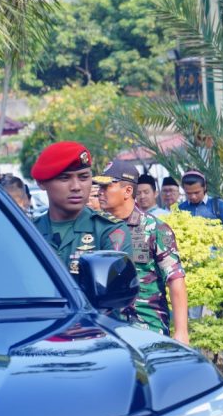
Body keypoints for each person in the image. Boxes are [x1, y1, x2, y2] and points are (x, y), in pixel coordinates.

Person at [95, 160, 189, 344]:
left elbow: (175, 279)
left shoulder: (154, 228)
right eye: (99, 186)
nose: (100, 191)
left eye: (106, 186)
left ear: (128, 191)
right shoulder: (97, 229)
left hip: (148, 327)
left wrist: (181, 331)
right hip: (107, 329)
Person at [31, 141, 127, 276]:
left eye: (84, 177)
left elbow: (117, 291)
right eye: (64, 178)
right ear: (41, 183)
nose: (76, 187)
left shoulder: (108, 230)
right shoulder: (29, 231)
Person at [179, 170, 223, 242]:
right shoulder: (181, 208)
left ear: (204, 188)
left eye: (197, 192)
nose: (193, 197)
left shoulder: (218, 205)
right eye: (188, 193)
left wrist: (210, 239)